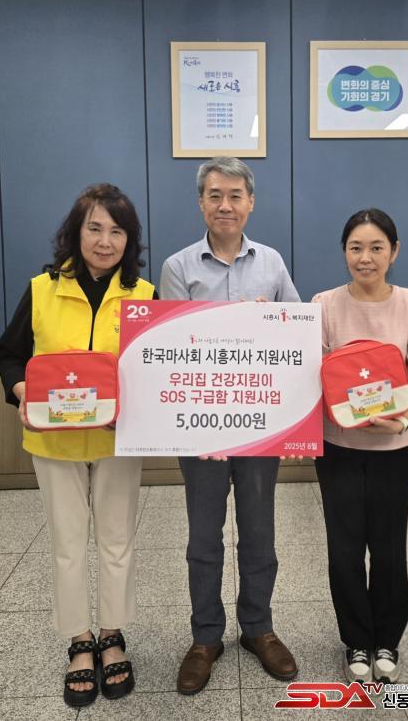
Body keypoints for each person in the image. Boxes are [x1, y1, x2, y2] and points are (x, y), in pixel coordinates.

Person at [0, 183, 158, 708]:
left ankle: (111, 635)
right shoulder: (42, 289)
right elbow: (8, 355)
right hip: (53, 442)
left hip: (115, 441)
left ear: (129, 239)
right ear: (75, 231)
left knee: (116, 540)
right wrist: (22, 390)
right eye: (94, 228)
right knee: (68, 544)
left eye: (117, 231)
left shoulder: (144, 295)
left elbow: (154, 369)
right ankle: (80, 640)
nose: (105, 241)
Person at [160, 157, 300, 695]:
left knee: (259, 532)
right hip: (201, 429)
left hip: (259, 425)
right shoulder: (178, 267)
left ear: (251, 202)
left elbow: (297, 334)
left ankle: (258, 627)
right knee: (203, 536)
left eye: (235, 195)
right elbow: (169, 347)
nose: (225, 205)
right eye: (215, 195)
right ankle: (205, 637)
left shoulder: (272, 262)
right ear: (201, 202)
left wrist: (270, 320)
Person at [312, 208, 408, 685]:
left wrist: (401, 419)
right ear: (344, 252)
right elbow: (309, 374)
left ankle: (387, 638)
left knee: (388, 547)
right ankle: (355, 640)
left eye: (376, 248)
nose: (365, 258)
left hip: (396, 446)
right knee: (344, 549)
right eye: (355, 248)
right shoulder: (323, 305)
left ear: (394, 251)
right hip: (339, 446)